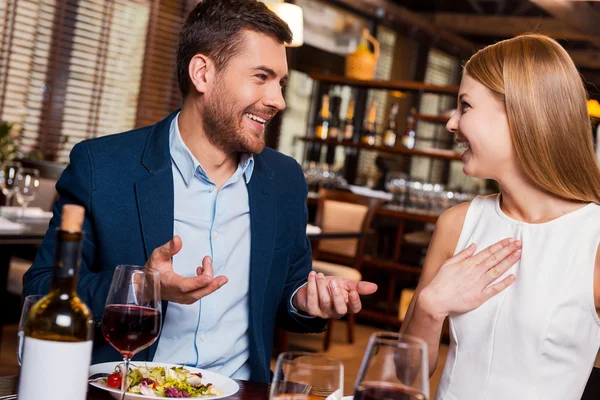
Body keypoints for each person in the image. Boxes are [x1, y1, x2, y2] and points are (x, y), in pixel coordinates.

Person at [23, 0, 377, 383]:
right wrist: (145, 285)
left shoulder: (286, 179)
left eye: (280, 82)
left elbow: (288, 291)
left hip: (242, 389)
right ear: (202, 73)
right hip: (126, 387)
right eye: (261, 76)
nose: (278, 100)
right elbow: (42, 289)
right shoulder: (101, 166)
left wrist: (305, 301)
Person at [400, 34, 600, 400]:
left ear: (522, 115)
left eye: (465, 106)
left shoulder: (594, 240)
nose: (451, 123)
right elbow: (404, 374)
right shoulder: (456, 223)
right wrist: (430, 308)